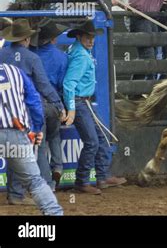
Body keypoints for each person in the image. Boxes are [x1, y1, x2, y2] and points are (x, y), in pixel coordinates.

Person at [0, 19, 66, 204]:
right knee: (23, 151)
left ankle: (16, 194)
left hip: (3, 111)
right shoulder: (32, 58)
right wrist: (58, 105)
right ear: (27, 39)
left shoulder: (2, 54)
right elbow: (43, 85)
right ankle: (19, 194)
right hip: (22, 113)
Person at [63, 21, 126, 194]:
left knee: (100, 137)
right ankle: (83, 181)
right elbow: (69, 83)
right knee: (93, 141)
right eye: (87, 37)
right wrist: (72, 108)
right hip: (80, 102)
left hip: (83, 101)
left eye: (92, 37)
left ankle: (102, 176)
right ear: (79, 36)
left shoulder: (79, 51)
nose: (91, 40)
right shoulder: (82, 56)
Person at [30, 20, 69, 189]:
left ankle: (47, 183)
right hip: (53, 103)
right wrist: (62, 105)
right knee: (54, 136)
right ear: (53, 39)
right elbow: (63, 83)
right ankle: (58, 167)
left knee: (40, 143)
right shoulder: (61, 57)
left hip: (35, 104)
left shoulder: (31, 55)